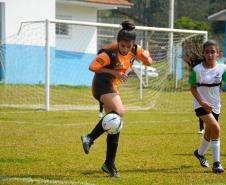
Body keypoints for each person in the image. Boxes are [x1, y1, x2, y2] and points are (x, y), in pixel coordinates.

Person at [80, 20, 152, 177]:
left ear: (133, 44)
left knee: (115, 124)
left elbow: (149, 62)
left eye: (128, 46)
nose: (125, 49)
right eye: (122, 46)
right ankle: (89, 137)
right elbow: (92, 67)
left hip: (113, 87)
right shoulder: (110, 52)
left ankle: (109, 164)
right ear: (118, 42)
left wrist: (146, 57)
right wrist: (115, 73)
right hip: (101, 84)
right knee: (119, 111)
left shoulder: (135, 49)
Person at [188, 39, 226, 173]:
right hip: (200, 104)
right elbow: (192, 88)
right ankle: (217, 163)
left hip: (215, 105)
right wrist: (202, 102)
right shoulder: (197, 70)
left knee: (210, 133)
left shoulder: (222, 68)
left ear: (218, 53)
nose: (210, 55)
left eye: (212, 52)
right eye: (207, 52)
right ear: (203, 54)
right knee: (216, 128)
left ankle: (199, 153)